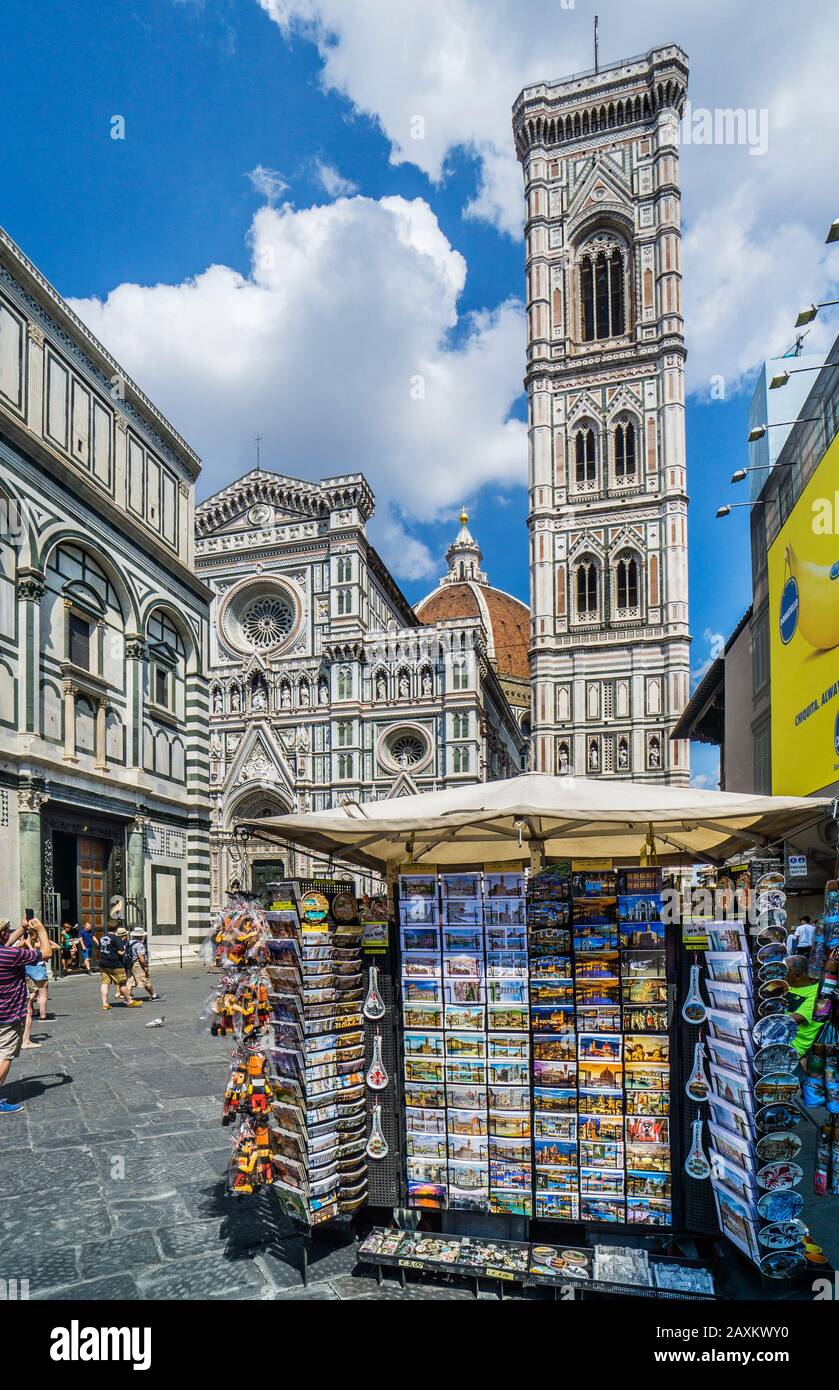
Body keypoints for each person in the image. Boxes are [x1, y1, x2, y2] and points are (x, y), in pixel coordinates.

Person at [0, 915, 55, 1111]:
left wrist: (22, 929)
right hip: (7, 1015)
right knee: (5, 1055)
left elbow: (4, 943)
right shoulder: (11, 955)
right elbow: (47, 953)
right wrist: (40, 930)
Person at [784, 954, 822, 1060]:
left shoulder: (818, 995)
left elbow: (791, 1021)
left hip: (793, 1047)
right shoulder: (790, 985)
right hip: (780, 1038)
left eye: (784, 972)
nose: (781, 974)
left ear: (797, 975)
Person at [98, 924, 142, 1009]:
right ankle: (130, 1001)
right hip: (115, 965)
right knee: (122, 984)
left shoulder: (102, 937)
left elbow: (101, 948)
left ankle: (105, 1004)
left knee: (105, 983)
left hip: (103, 964)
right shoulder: (116, 938)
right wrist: (125, 951)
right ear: (116, 929)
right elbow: (120, 952)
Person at [126, 930, 161, 1001]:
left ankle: (128, 998)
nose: (144, 937)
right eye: (143, 935)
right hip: (137, 964)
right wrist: (145, 965)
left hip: (130, 964)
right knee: (145, 980)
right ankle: (153, 995)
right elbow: (140, 957)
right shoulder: (139, 945)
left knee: (130, 981)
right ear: (141, 936)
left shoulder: (129, 942)